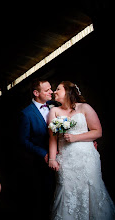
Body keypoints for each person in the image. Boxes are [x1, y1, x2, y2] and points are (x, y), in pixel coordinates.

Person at [48, 81, 115, 219]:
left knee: (91, 188)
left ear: (67, 91)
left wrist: (75, 138)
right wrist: (52, 159)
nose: (54, 91)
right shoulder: (54, 111)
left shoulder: (84, 108)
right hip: (66, 160)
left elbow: (97, 132)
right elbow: (52, 138)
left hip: (87, 158)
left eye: (58, 89)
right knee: (67, 190)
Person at [19, 78, 56, 219]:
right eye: (47, 90)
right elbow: (23, 140)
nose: (51, 92)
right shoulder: (26, 113)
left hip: (63, 157)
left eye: (51, 89)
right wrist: (43, 154)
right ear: (36, 93)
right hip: (42, 163)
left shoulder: (55, 105)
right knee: (46, 197)